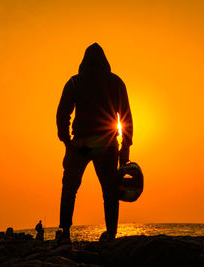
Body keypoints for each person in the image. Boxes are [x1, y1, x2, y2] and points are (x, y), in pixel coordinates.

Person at [56, 43, 133, 244]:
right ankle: (111, 233)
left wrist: (67, 142)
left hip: (81, 144)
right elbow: (126, 118)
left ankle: (64, 232)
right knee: (109, 190)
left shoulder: (74, 82)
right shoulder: (116, 83)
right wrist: (125, 148)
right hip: (106, 145)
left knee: (70, 189)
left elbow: (62, 114)